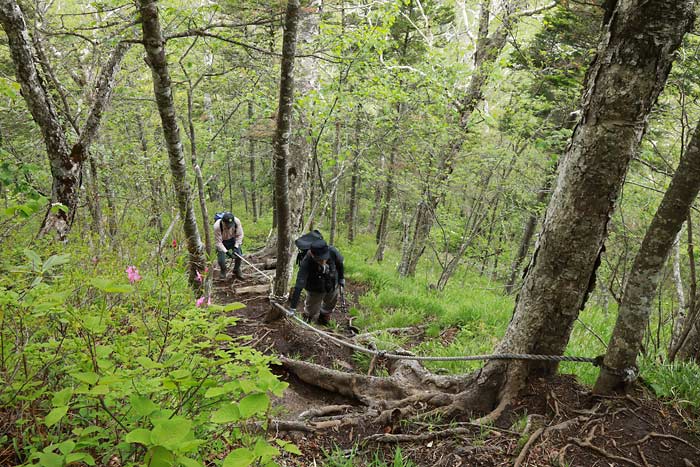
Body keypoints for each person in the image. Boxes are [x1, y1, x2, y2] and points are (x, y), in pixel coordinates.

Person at [289, 238, 345, 325]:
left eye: (325, 258)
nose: (323, 261)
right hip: (315, 288)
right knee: (311, 308)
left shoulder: (332, 251)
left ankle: (324, 317)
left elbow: (340, 263)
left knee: (331, 301)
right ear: (312, 254)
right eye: (320, 259)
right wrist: (292, 308)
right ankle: (308, 318)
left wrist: (341, 278)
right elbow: (299, 285)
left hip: (332, 282)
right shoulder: (306, 262)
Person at [214, 212, 244, 279]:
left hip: (233, 240)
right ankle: (223, 270)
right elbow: (218, 243)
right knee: (221, 260)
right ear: (223, 222)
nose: (229, 226)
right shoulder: (217, 226)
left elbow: (240, 235)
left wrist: (236, 247)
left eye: (230, 225)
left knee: (239, 256)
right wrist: (227, 252)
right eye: (227, 225)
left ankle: (236, 269)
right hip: (222, 242)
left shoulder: (237, 222)